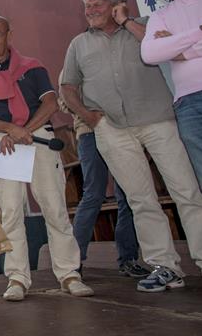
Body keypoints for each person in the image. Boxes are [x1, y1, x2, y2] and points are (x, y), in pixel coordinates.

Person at [61, 0, 202, 294]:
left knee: (187, 192)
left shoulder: (143, 27)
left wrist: (127, 21)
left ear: (116, 4)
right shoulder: (79, 43)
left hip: (159, 119)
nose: (89, 10)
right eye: (86, 5)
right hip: (112, 130)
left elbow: (165, 49)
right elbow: (68, 86)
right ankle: (166, 267)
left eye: (97, 4)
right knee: (140, 199)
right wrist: (89, 117)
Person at [0, 16, 92, 302]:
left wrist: (24, 130)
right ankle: (17, 278)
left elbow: (49, 103)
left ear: (9, 35)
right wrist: (11, 130)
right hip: (2, 141)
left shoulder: (32, 67)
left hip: (40, 136)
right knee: (10, 213)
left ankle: (69, 274)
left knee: (55, 208)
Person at [142, 0, 202, 205]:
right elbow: (150, 53)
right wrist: (200, 31)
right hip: (189, 105)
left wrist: (179, 49)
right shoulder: (161, 14)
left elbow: (165, 50)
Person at [57, 72, 148, 279]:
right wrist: (88, 113)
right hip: (90, 132)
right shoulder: (74, 58)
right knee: (93, 195)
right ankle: (74, 262)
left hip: (120, 131)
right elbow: (63, 100)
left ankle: (128, 259)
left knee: (127, 194)